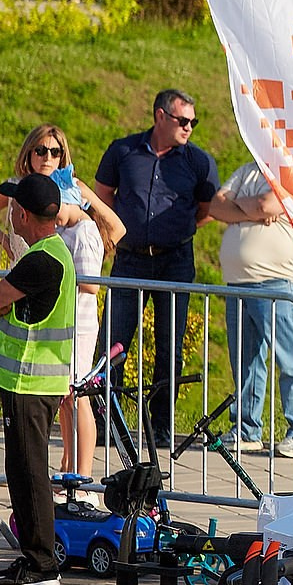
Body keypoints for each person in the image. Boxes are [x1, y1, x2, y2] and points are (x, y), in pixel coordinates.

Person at [0, 125, 122, 483]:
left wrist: (87, 212)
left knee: (74, 393)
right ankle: (66, 472)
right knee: (57, 394)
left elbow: (114, 233)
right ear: (29, 152)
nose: (48, 157)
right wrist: (5, 241)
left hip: (62, 308)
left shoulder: (74, 207)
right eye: (41, 150)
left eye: (55, 152)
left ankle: (79, 476)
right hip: (27, 303)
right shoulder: (18, 187)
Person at [95, 88, 219, 448]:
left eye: (194, 122)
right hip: (130, 257)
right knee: (114, 341)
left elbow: (207, 208)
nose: (189, 127)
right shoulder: (124, 151)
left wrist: (177, 228)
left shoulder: (197, 161)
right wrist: (117, 230)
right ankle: (107, 420)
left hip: (174, 260)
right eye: (183, 120)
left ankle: (161, 425)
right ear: (160, 117)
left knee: (169, 345)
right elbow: (103, 194)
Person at [0, 176, 79, 585]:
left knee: (28, 470)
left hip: (30, 381)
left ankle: (40, 564)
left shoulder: (40, 260)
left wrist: (1, 306)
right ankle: (37, 557)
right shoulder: (53, 252)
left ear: (21, 214)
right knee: (24, 467)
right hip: (34, 380)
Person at [208, 158, 293, 457]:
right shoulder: (246, 169)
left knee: (292, 360)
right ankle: (246, 428)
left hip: (279, 282)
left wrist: (240, 210)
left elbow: (268, 205)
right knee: (246, 361)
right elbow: (215, 207)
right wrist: (250, 209)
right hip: (239, 282)